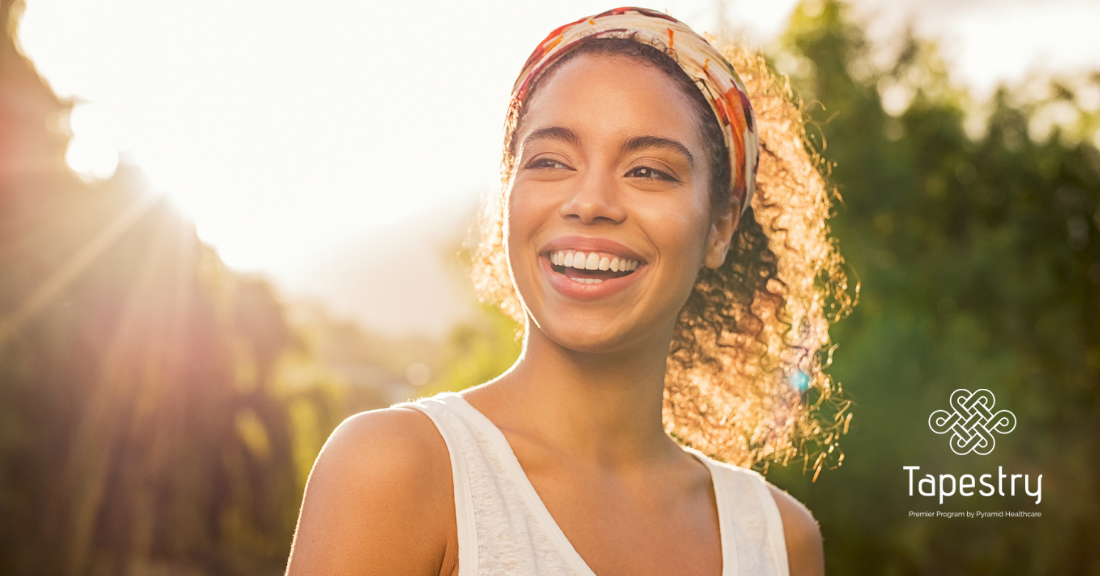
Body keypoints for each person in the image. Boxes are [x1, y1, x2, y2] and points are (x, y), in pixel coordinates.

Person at [286, 7, 851, 576]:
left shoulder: (780, 539)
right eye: (551, 161)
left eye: (649, 171)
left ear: (721, 227)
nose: (589, 202)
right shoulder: (396, 469)